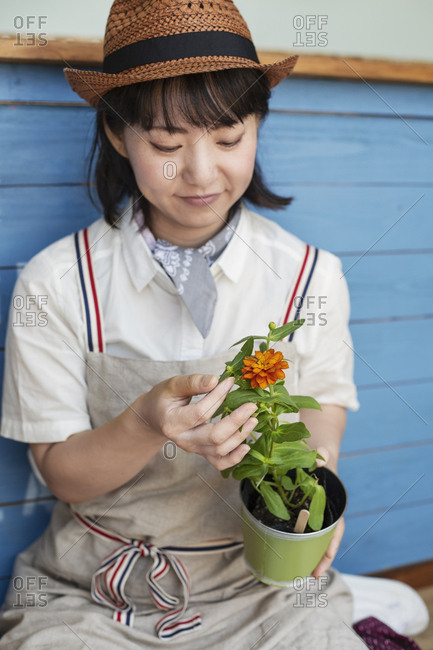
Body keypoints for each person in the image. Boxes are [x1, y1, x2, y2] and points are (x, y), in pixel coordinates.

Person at [0, 1, 364, 647]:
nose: (200, 173)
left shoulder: (309, 275)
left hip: (262, 587)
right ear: (118, 135)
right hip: (99, 588)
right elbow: (61, 473)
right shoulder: (57, 283)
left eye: (228, 139)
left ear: (258, 125)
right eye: (167, 143)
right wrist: (143, 423)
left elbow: (322, 414)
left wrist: (315, 491)